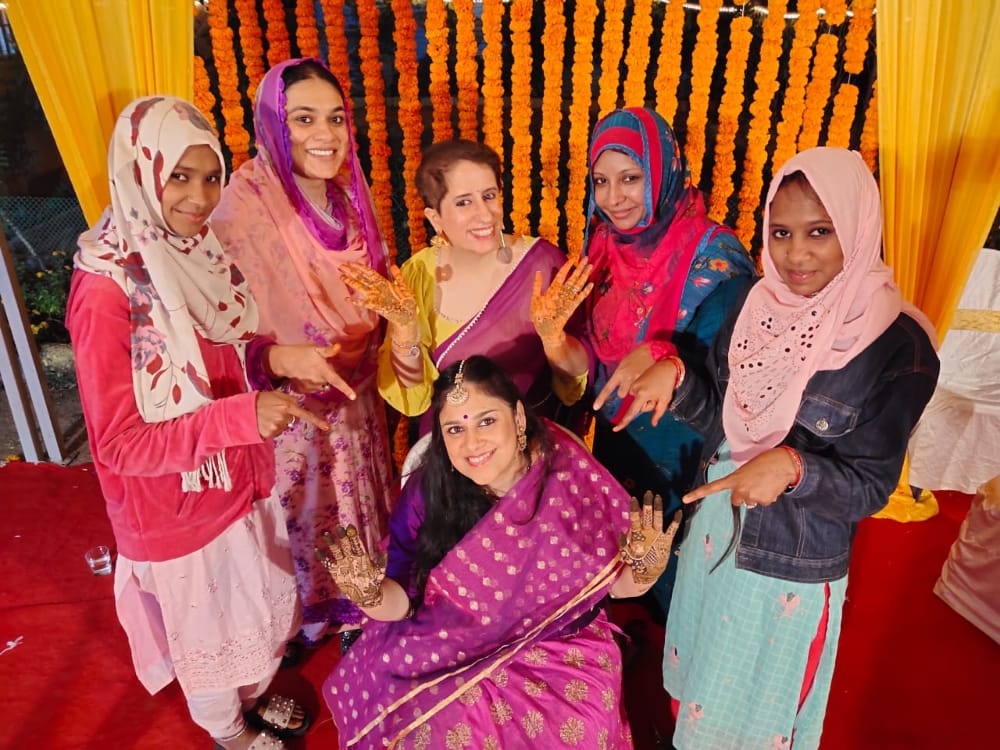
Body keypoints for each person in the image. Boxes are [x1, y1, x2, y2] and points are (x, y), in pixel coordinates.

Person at [599, 147, 940, 749]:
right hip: (712, 539)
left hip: (782, 573)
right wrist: (678, 380)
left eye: (819, 232)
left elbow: (870, 485)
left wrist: (793, 469)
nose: (796, 254)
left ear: (858, 226)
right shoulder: (755, 305)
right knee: (695, 703)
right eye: (781, 233)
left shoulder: (898, 346)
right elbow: (725, 420)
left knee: (750, 731)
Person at [66, 96, 351, 749]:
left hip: (234, 479)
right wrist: (241, 417)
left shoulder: (193, 249)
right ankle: (231, 733)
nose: (199, 198)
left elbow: (222, 356)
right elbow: (119, 445)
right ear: (139, 172)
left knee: (253, 615)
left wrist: (276, 358)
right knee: (212, 636)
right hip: (173, 508)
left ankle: (252, 695)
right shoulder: (106, 288)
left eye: (210, 177)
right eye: (179, 177)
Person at [317, 355, 680, 749]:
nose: (471, 443)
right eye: (455, 429)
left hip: (565, 645)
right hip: (454, 650)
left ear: (518, 418)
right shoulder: (428, 494)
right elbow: (401, 602)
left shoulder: (566, 473)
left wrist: (644, 571)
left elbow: (615, 586)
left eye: (486, 421)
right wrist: (370, 596)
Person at [212, 58, 396, 648]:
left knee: (353, 501)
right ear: (273, 124)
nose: (326, 134)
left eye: (336, 119)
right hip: (286, 411)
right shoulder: (243, 207)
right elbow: (213, 327)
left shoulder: (351, 197)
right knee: (301, 508)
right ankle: (300, 618)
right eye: (304, 119)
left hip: (355, 397)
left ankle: (358, 603)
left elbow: (376, 295)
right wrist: (278, 358)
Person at [584, 107, 756, 613]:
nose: (614, 198)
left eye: (631, 178)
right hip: (616, 436)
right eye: (601, 181)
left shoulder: (715, 254)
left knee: (676, 567)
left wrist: (663, 353)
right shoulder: (603, 244)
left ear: (662, 172)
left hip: (682, 438)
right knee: (624, 556)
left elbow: (732, 369)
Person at [340, 139, 592, 434]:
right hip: (451, 446)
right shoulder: (417, 275)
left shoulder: (544, 265)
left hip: (529, 441)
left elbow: (574, 385)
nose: (485, 214)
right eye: (463, 202)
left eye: (489, 196)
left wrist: (555, 341)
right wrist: (406, 334)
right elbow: (414, 398)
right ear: (435, 218)